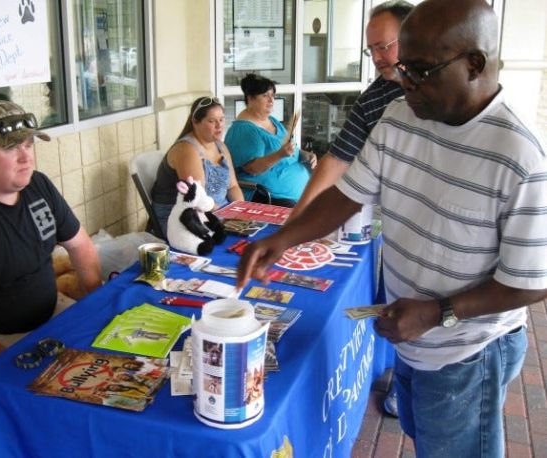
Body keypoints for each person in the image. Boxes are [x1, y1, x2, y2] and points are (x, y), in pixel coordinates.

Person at [236, 1, 547, 456]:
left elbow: (530, 282)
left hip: (468, 351)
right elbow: (348, 194)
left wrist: (437, 312)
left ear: (474, 64)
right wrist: (282, 238)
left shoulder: (520, 157)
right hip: (413, 338)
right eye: (403, 67)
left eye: (419, 70)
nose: (405, 82)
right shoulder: (400, 116)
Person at [0, 100, 102, 457]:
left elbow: (82, 247)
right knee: (50, 418)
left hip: (53, 319)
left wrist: (99, 306)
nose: (26, 157)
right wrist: (14, 368)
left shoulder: (38, 186)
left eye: (29, 144)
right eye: (11, 147)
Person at [289, 0, 413, 222]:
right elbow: (336, 160)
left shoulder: (445, 90)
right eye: (370, 50)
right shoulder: (372, 100)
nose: (375, 58)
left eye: (383, 47)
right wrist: (295, 220)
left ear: (412, 38)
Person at [151, 96, 244, 235]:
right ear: (195, 121)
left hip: (217, 211)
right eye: (212, 121)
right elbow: (199, 199)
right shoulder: (186, 150)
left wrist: (241, 211)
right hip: (182, 217)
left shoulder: (220, 146)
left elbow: (233, 186)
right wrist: (226, 218)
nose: (219, 125)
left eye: (221, 119)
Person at [224, 74, 317, 207]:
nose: (271, 100)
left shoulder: (272, 121)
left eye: (273, 95)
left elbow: (290, 148)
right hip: (270, 197)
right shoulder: (243, 130)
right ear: (250, 98)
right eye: (265, 96)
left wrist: (305, 154)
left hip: (301, 192)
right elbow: (252, 168)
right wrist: (279, 155)